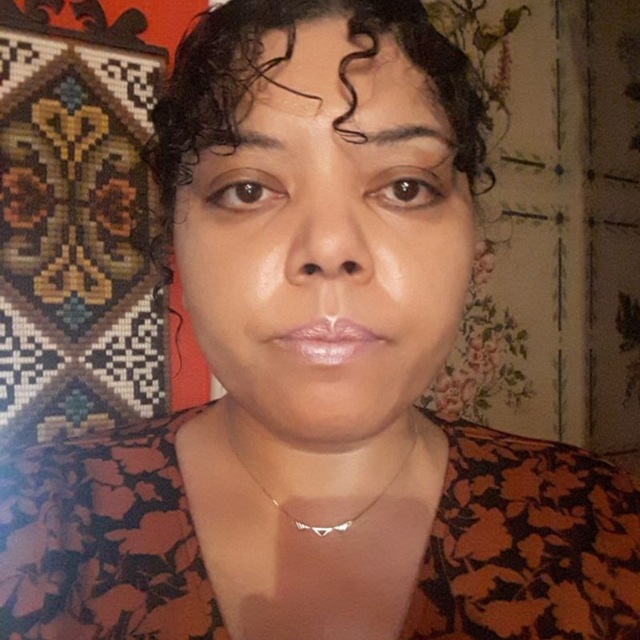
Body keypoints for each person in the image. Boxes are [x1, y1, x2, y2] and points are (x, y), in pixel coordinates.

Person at [1, 0, 639, 638]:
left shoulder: (606, 526)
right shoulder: (28, 524)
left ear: (475, 239)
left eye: (406, 186)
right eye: (248, 189)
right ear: (174, 240)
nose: (331, 248)